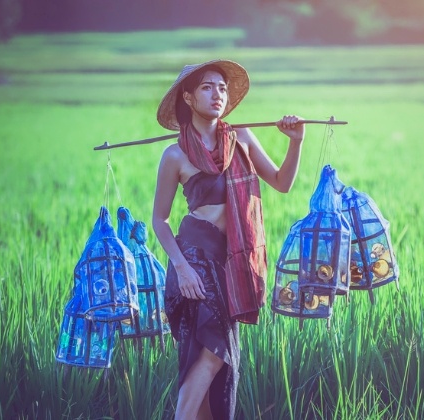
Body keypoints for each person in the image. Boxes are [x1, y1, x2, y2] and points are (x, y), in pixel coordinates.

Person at [151, 59, 305, 420]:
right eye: (207, 87)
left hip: (232, 264)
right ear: (188, 97)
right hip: (193, 259)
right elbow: (159, 220)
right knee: (213, 351)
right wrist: (182, 268)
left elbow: (282, 183)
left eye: (222, 87)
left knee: (215, 363)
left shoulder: (243, 140)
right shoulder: (175, 154)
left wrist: (296, 142)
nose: (217, 94)